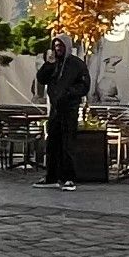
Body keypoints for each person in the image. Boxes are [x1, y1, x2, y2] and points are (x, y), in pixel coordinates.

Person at [34, 34, 89, 191]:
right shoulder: (53, 63)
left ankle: (69, 178)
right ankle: (51, 177)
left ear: (66, 47)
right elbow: (41, 78)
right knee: (52, 143)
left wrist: (68, 93)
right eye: (56, 46)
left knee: (67, 144)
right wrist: (48, 64)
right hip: (55, 109)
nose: (58, 49)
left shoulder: (77, 64)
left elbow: (84, 86)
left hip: (69, 109)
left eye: (60, 46)